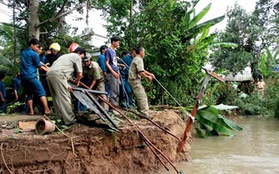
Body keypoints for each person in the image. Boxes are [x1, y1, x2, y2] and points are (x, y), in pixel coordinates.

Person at [46, 47, 86, 126]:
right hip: (59, 74)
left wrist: (71, 81)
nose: (82, 59)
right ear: (79, 53)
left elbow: (64, 73)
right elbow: (80, 74)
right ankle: (70, 120)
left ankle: (59, 119)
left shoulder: (65, 56)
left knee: (56, 98)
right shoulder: (76, 56)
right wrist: (78, 81)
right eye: (82, 57)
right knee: (65, 97)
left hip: (49, 74)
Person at [20, 38, 50, 115]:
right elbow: (39, 66)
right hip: (31, 76)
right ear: (32, 45)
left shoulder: (23, 52)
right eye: (36, 46)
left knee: (29, 93)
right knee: (41, 92)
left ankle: (31, 111)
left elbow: (37, 63)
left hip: (23, 76)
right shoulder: (34, 54)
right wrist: (50, 71)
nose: (37, 48)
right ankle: (47, 110)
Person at [128, 47, 155, 117]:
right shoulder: (139, 59)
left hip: (133, 80)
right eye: (144, 52)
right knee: (142, 96)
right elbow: (141, 73)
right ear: (141, 52)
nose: (144, 54)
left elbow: (142, 70)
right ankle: (144, 113)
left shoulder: (137, 59)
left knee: (139, 95)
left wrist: (150, 74)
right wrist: (147, 77)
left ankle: (141, 110)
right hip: (134, 81)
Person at [105, 36, 125, 108]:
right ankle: (113, 108)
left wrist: (120, 65)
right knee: (113, 92)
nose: (118, 44)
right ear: (113, 42)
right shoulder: (108, 50)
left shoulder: (114, 51)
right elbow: (107, 63)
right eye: (117, 42)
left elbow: (114, 63)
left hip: (116, 74)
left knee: (117, 91)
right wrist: (113, 72)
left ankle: (115, 107)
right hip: (111, 74)